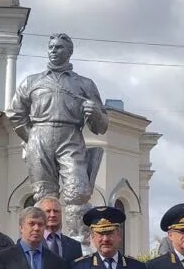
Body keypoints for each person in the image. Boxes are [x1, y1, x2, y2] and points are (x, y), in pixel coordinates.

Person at [6, 33, 109, 228]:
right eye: (51, 47)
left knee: (77, 192)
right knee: (43, 193)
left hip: (70, 136)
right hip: (39, 135)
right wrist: (32, 139)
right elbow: (15, 114)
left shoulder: (84, 84)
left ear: (70, 52)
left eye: (59, 47)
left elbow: (101, 127)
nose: (54, 51)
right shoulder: (32, 81)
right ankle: (43, 239)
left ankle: (77, 240)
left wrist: (95, 113)